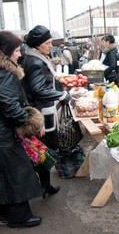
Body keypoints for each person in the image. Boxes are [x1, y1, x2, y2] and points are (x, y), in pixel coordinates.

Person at [0, 30, 44, 227]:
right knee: (17, 175)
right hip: (1, 134)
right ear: (5, 52)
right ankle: (19, 217)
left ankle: (4, 213)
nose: (20, 54)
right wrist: (29, 122)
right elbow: (10, 107)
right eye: (16, 50)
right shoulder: (3, 73)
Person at [21, 25, 72, 198]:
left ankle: (45, 185)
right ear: (37, 44)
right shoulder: (35, 61)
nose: (51, 46)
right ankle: (42, 186)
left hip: (43, 109)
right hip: (41, 112)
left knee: (42, 149)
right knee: (43, 149)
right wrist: (61, 94)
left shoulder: (34, 57)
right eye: (48, 43)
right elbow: (38, 89)